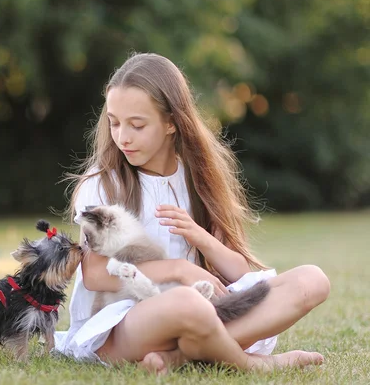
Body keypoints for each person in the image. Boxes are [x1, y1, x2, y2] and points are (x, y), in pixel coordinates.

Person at [54, 52, 331, 374]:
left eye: (137, 125)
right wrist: (179, 269)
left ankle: (178, 358)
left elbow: (238, 272)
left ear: (171, 122)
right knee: (188, 303)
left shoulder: (198, 177)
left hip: (200, 309)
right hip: (125, 324)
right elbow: (96, 275)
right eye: (114, 123)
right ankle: (252, 365)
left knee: (312, 280)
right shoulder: (102, 184)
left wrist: (203, 240)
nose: (122, 137)